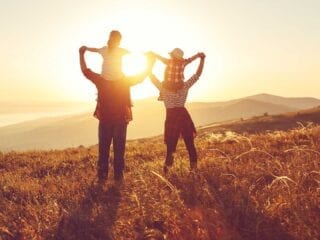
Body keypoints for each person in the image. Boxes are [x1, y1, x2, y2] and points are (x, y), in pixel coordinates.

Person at [79, 42, 154, 184]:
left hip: (105, 120)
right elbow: (143, 75)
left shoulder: (101, 81)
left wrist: (81, 54)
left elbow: (85, 71)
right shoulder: (125, 81)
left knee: (103, 150)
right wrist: (150, 62)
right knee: (119, 151)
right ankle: (118, 179)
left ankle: (102, 178)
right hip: (120, 120)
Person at [149, 52, 206, 174]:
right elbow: (197, 75)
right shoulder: (184, 86)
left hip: (171, 117)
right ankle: (194, 169)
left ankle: (167, 171)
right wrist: (202, 59)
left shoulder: (163, 88)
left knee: (170, 147)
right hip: (183, 115)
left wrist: (150, 62)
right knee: (190, 144)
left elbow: (151, 76)